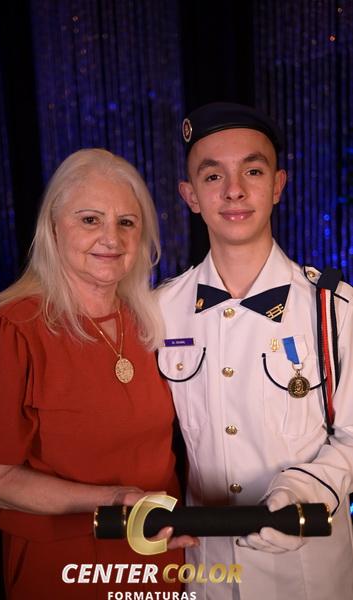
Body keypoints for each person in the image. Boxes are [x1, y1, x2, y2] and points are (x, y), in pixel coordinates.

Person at [0, 148, 195, 599]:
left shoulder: (152, 320)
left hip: (158, 554)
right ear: (53, 227)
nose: (111, 238)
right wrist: (115, 501)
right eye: (90, 220)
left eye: (127, 222)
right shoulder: (10, 329)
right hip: (66, 565)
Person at [157, 103, 353, 600]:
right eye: (212, 176)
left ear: (278, 185)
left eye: (253, 170)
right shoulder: (159, 311)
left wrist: (297, 494)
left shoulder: (334, 308)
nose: (234, 191)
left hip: (308, 574)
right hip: (207, 572)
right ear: (190, 196)